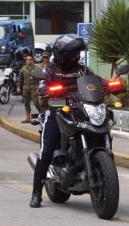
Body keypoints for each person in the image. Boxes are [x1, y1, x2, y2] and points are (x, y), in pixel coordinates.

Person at [30, 34, 90, 208]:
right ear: (62, 54)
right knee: (47, 151)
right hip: (57, 111)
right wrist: (46, 89)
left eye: (77, 53)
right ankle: (36, 193)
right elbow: (42, 85)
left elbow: (95, 82)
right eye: (73, 53)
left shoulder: (82, 69)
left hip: (80, 112)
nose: (76, 56)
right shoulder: (51, 70)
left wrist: (109, 84)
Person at [18, 54, 42, 123]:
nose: (28, 60)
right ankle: (28, 118)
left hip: (34, 87)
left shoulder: (37, 68)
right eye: (27, 59)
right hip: (25, 87)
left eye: (30, 59)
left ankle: (43, 115)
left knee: (36, 102)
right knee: (26, 103)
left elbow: (41, 79)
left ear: (33, 60)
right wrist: (18, 87)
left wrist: (39, 88)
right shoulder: (23, 68)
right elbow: (20, 79)